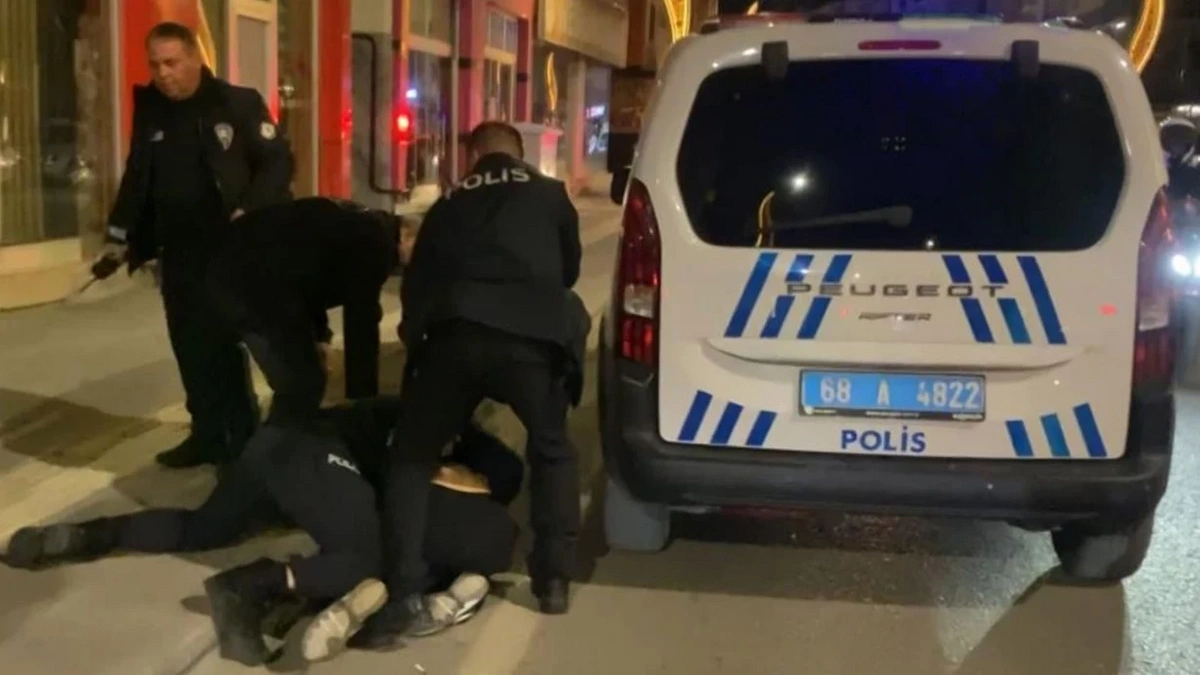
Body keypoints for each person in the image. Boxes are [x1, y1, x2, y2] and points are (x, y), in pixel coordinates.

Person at [2, 397, 522, 666]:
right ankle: (247, 588)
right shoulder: (416, 443)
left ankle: (77, 538)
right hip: (312, 453)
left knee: (202, 528)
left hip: (279, 447)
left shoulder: (435, 432)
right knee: (366, 552)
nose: (450, 478)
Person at [362, 120, 587, 642]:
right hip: (532, 340)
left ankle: (403, 589)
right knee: (552, 449)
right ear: (519, 154)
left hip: (456, 338)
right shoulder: (551, 194)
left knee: (412, 457)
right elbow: (568, 272)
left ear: (474, 156)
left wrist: (417, 344)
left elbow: (418, 285)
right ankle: (553, 580)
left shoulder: (448, 202)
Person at [95, 22, 294, 469]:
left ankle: (241, 441)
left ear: (195, 57)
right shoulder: (152, 111)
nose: (163, 74)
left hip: (231, 248)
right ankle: (206, 433)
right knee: (190, 345)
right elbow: (137, 176)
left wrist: (249, 209)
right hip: (178, 249)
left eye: (172, 62)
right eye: (155, 65)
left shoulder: (236, 103)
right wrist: (119, 234)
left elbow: (278, 162)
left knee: (228, 341)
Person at [205, 197, 401, 425]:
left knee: (296, 381)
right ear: (406, 235)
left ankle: (264, 438)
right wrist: (363, 401)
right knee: (302, 384)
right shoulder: (376, 243)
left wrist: (320, 336)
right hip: (256, 287)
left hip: (228, 275)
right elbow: (361, 321)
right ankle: (279, 441)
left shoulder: (352, 222)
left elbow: (309, 273)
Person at [1161, 116, 1200, 201]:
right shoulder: (1163, 164)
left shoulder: (1195, 166)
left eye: (1180, 143)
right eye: (1173, 142)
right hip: (1167, 206)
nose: (1176, 146)